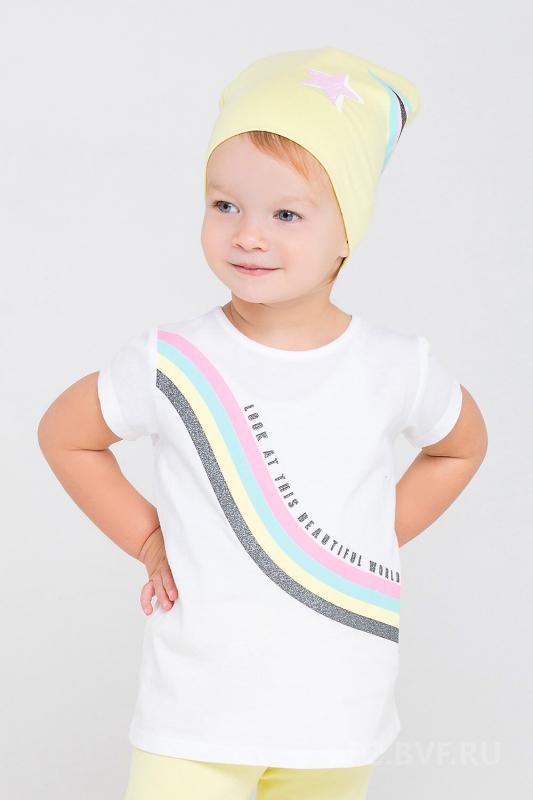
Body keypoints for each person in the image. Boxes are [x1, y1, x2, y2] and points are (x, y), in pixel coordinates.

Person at [37, 46, 488, 800]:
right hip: (193, 719)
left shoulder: (396, 365)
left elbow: (460, 449)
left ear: (347, 233)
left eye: (286, 214)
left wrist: (373, 531)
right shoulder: (173, 361)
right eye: (225, 205)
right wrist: (148, 539)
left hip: (336, 717)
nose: (249, 234)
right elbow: (66, 433)